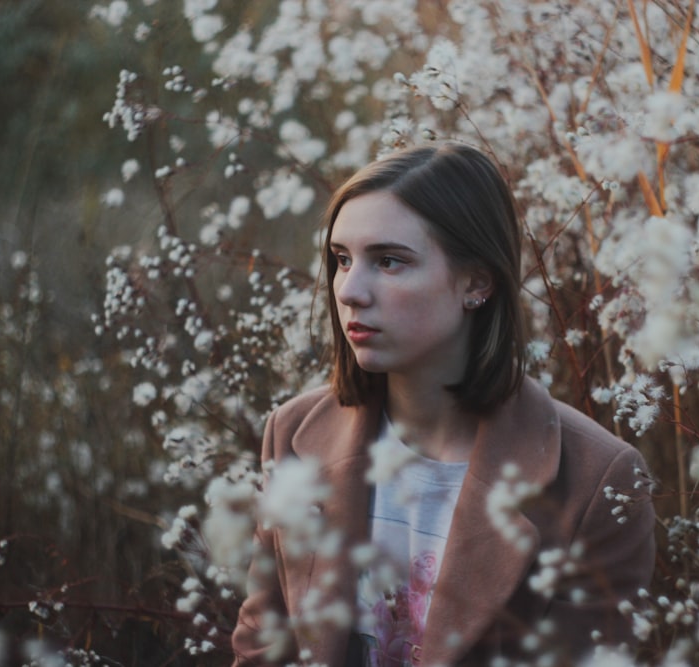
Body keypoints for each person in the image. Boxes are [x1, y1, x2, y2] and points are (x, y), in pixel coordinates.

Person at [232, 142, 656, 666]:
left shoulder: (596, 483)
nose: (349, 290)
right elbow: (261, 648)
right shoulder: (294, 433)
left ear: (477, 282)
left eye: (389, 261)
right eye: (342, 260)